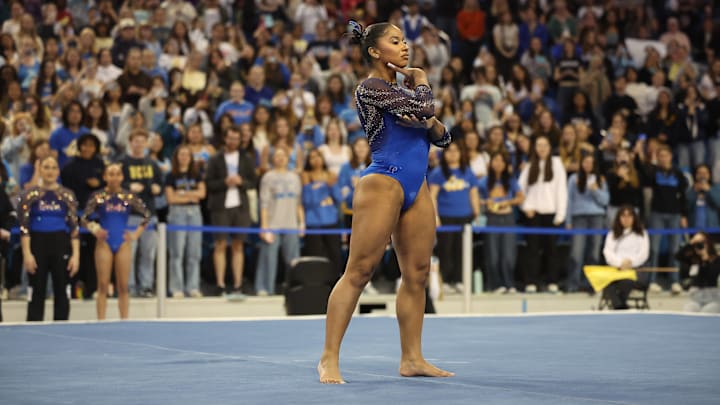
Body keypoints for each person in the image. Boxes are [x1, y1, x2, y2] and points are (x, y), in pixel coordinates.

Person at [318, 21, 453, 384]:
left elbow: (443, 136)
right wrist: (422, 80)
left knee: (418, 274)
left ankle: (412, 358)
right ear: (375, 51)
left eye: (404, 40)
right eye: (396, 41)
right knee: (359, 271)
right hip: (385, 181)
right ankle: (329, 357)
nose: (405, 47)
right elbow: (427, 112)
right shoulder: (370, 88)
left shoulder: (398, 93)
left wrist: (426, 120)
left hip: (416, 185)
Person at [82, 163, 150, 320]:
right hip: (104, 242)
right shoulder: (97, 196)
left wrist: (135, 234)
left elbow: (146, 215)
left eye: (117, 174)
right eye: (110, 174)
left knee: (123, 286)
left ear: (122, 177)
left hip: (122, 241)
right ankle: (101, 321)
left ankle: (124, 320)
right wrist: (95, 229)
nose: (114, 177)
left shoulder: (129, 196)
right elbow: (84, 218)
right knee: (103, 285)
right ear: (105, 177)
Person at [17, 156, 80, 321]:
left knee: (62, 290)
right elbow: (24, 227)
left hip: (61, 244)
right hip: (37, 244)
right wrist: (27, 254)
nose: (50, 171)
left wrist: (76, 255)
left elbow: (74, 227)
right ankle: (33, 329)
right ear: (40, 170)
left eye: (53, 167)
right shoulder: (29, 195)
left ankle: (62, 328)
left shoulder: (67, 194)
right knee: (36, 290)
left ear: (58, 171)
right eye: (46, 167)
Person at [205, 125, 257, 298]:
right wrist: (224, 182)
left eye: (236, 138)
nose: (233, 141)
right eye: (231, 138)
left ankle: (237, 284)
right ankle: (220, 284)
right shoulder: (215, 158)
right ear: (225, 139)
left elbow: (253, 182)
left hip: (241, 207)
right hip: (220, 206)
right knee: (220, 244)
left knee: (238, 245)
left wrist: (241, 181)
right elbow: (209, 183)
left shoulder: (246, 158)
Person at [428, 140, 480, 294]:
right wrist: (435, 216)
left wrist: (477, 214)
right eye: (450, 151)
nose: (453, 154)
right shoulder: (438, 172)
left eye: (456, 151)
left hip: (465, 217)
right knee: (445, 250)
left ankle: (459, 280)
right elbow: (433, 196)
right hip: (446, 218)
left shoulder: (467, 172)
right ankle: (446, 281)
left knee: (462, 251)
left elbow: (474, 194)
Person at [518, 135, 568, 293]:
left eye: (544, 145)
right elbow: (520, 189)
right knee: (532, 250)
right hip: (533, 214)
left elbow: (562, 190)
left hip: (551, 214)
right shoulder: (529, 165)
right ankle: (531, 281)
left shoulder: (557, 163)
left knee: (551, 250)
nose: (541, 148)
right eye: (538, 145)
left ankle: (552, 281)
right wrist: (526, 207)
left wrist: (560, 214)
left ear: (549, 147)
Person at [120, 129, 163, 298]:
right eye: (136, 141)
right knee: (129, 253)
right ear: (130, 142)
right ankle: (128, 286)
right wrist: (128, 188)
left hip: (149, 213)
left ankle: (146, 286)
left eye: (142, 141)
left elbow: (160, 185)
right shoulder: (123, 163)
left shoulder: (152, 164)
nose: (139, 144)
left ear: (146, 144)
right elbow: (115, 185)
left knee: (148, 253)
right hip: (130, 213)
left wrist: (157, 189)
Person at [256, 147, 304, 296]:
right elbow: (263, 203)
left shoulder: (294, 177)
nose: (280, 158)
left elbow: (298, 202)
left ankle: (294, 289)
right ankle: (264, 288)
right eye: (277, 155)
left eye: (283, 155)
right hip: (273, 224)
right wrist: (264, 227)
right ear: (272, 159)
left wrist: (302, 222)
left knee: (293, 260)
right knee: (268, 258)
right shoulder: (268, 177)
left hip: (291, 224)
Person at [478, 151, 524, 294]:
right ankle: (495, 284)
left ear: (505, 164)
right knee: (493, 254)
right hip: (492, 218)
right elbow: (476, 198)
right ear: (491, 163)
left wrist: (508, 202)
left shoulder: (510, 180)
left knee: (508, 254)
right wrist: (486, 202)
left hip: (508, 218)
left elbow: (521, 197)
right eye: (495, 160)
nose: (498, 164)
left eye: (501, 161)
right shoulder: (484, 181)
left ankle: (509, 283)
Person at [165, 145, 206, 298]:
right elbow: (170, 198)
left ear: (190, 157)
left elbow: (202, 193)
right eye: (181, 155)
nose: (184, 157)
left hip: (194, 213)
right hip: (177, 213)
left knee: (194, 252)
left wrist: (182, 194)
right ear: (177, 157)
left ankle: (193, 286)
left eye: (187, 155)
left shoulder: (196, 174)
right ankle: (176, 288)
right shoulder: (171, 175)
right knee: (177, 252)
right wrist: (190, 196)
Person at [566, 154, 609, 292]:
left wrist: (596, 190)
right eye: (585, 161)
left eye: (591, 162)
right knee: (576, 252)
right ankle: (573, 284)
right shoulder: (573, 178)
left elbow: (605, 201)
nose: (588, 165)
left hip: (597, 217)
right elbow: (569, 200)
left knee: (594, 253)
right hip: (579, 217)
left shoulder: (600, 179)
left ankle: (592, 284)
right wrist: (568, 220)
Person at [602, 206, 651, 310]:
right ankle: (621, 307)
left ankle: (618, 307)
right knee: (607, 282)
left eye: (629, 216)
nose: (626, 219)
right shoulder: (612, 234)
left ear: (634, 218)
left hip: (636, 271)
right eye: (623, 216)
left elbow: (644, 254)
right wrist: (620, 263)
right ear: (619, 218)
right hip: (616, 270)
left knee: (625, 281)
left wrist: (631, 263)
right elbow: (607, 252)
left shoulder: (642, 233)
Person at [676, 232, 720, 313]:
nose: (698, 246)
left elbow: (712, 275)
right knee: (688, 310)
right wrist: (690, 243)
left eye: (702, 242)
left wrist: (705, 259)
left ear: (708, 243)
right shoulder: (693, 259)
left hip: (712, 297)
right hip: (695, 297)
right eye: (697, 243)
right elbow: (678, 256)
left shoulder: (716, 260)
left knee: (707, 312)